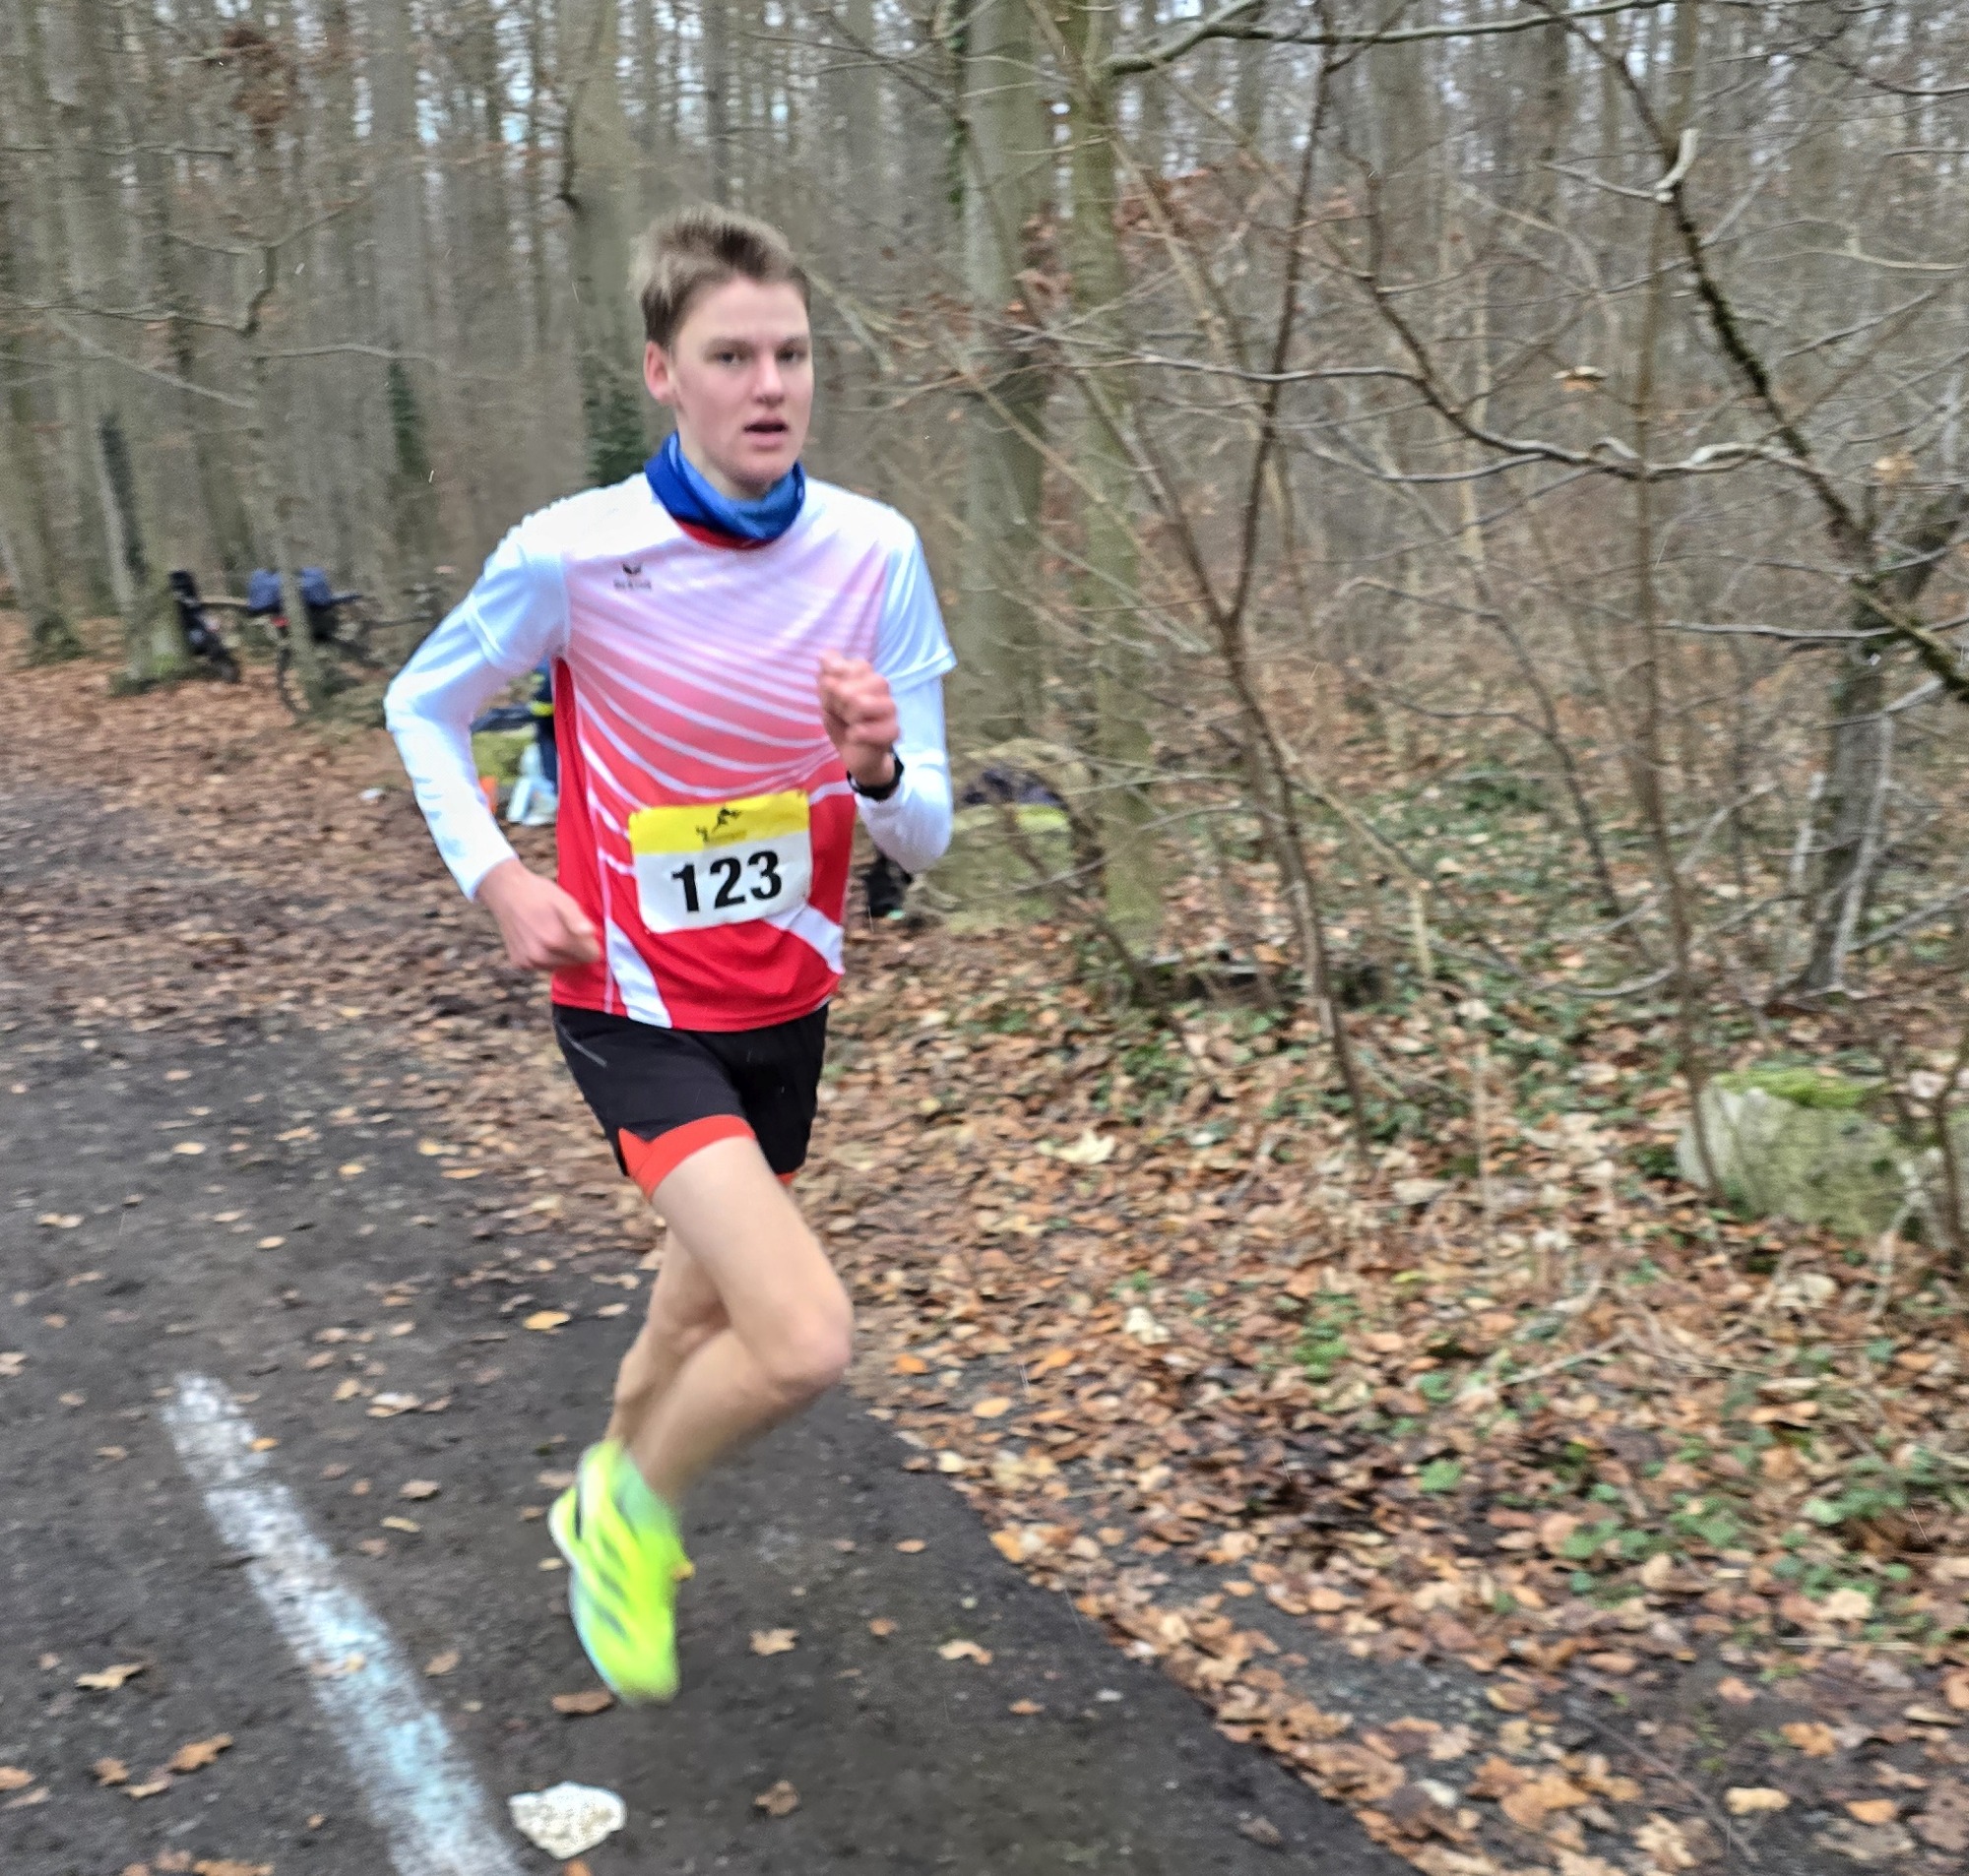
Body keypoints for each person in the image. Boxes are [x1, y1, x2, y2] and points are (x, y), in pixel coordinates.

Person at [385, 206, 954, 1702]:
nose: (770, 385)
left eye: (793, 355)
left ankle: (602, 1478)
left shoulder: (876, 553)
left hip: (789, 1002)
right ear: (662, 372)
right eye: (731, 356)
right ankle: (629, 1514)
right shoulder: (575, 554)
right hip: (630, 1002)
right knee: (803, 1337)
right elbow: (421, 707)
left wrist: (879, 769)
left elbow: (929, 837)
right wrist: (498, 879)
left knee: (696, 1306)